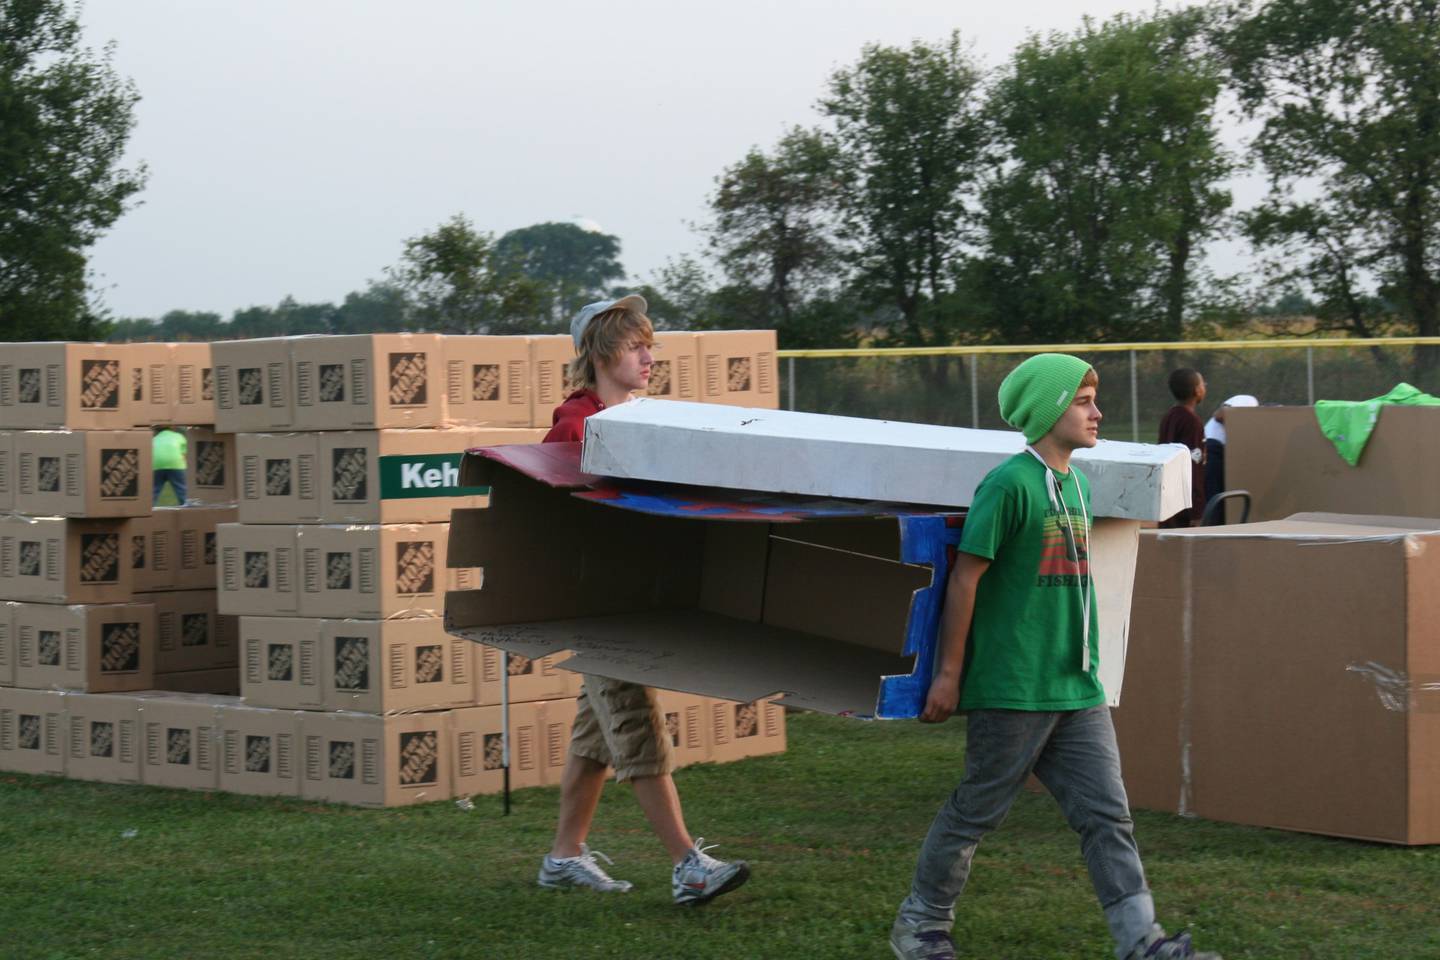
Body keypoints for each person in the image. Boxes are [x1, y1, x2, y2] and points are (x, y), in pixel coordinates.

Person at [889, 354, 1222, 960]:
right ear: (1047, 412)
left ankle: (1141, 943)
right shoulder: (1009, 484)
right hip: (1014, 687)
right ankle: (920, 926)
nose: (1097, 413)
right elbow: (966, 579)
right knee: (975, 813)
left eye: (1094, 400)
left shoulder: (1077, 485)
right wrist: (947, 674)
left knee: (1108, 817)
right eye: (1083, 401)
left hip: (1076, 687)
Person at [536, 294, 750, 906]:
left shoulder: (642, 417)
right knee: (634, 725)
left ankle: (563, 857)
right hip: (600, 604)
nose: (649, 357)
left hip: (637, 597)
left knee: (594, 736)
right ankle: (689, 865)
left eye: (650, 345)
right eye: (636, 346)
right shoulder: (573, 427)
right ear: (603, 351)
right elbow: (554, 524)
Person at [1157, 369, 1206, 528]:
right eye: (1202, 383)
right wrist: (1196, 510)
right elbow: (1193, 466)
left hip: (1167, 498)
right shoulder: (1192, 421)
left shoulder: (1169, 416)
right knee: (1186, 550)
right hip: (1184, 504)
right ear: (1197, 390)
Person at [1202, 394, 1258, 515]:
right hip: (1212, 447)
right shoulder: (1250, 401)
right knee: (1214, 497)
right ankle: (1211, 529)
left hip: (1222, 451)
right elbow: (1219, 414)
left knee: (1221, 500)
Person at [152, 426, 188, 504]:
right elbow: (184, 455)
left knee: (154, 491)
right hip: (176, 464)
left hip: (157, 465)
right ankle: (186, 509)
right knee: (182, 490)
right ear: (172, 428)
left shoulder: (154, 439)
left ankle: (147, 510)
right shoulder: (179, 436)